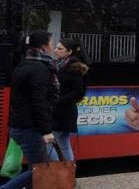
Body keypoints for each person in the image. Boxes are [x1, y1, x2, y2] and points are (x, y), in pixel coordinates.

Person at [1, 30, 58, 189]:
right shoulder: (39, 68)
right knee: (40, 169)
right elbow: (39, 102)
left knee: (36, 165)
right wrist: (46, 130)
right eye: (51, 44)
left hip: (19, 125)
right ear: (43, 46)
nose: (52, 47)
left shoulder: (24, 64)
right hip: (29, 127)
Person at [51, 37, 89, 161]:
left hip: (64, 112)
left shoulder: (73, 68)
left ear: (69, 52)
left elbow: (79, 92)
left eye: (60, 48)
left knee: (51, 143)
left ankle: (60, 173)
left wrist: (58, 101)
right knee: (63, 143)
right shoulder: (58, 65)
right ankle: (68, 173)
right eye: (56, 47)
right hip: (60, 111)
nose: (56, 50)